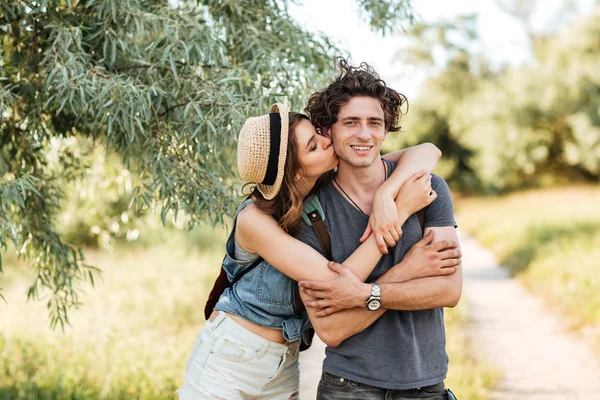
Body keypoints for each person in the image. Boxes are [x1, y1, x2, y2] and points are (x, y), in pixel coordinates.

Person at [176, 102, 460, 399]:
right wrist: (401, 225)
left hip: (284, 362)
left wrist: (387, 195)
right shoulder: (254, 221)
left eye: (318, 134)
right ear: (295, 172)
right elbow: (337, 281)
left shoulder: (320, 190)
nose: (327, 140)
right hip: (230, 358)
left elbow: (426, 152)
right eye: (313, 145)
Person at [294, 58, 462, 399]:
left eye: (374, 123)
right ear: (328, 130)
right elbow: (331, 328)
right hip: (347, 387)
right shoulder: (311, 213)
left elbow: (448, 290)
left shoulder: (426, 189)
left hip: (425, 384)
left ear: (387, 130)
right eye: (351, 122)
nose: (364, 134)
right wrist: (409, 271)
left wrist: (362, 294)